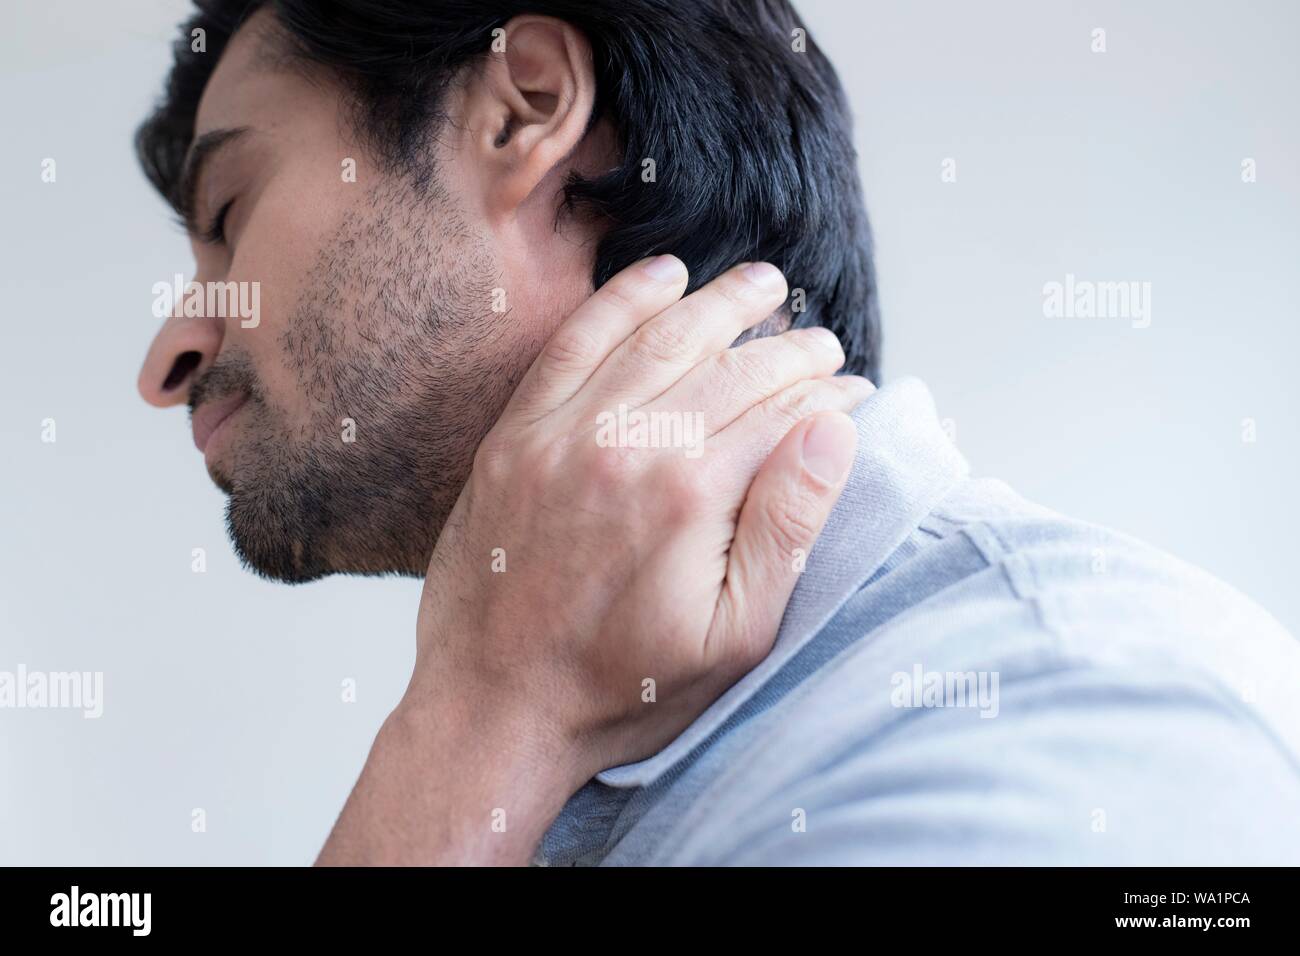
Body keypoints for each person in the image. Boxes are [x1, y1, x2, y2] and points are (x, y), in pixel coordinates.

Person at [136, 2, 1300, 865]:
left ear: (524, 106)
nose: (167, 358)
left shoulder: (1067, 715)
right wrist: (486, 722)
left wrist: (474, 718)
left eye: (228, 215)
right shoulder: (551, 752)